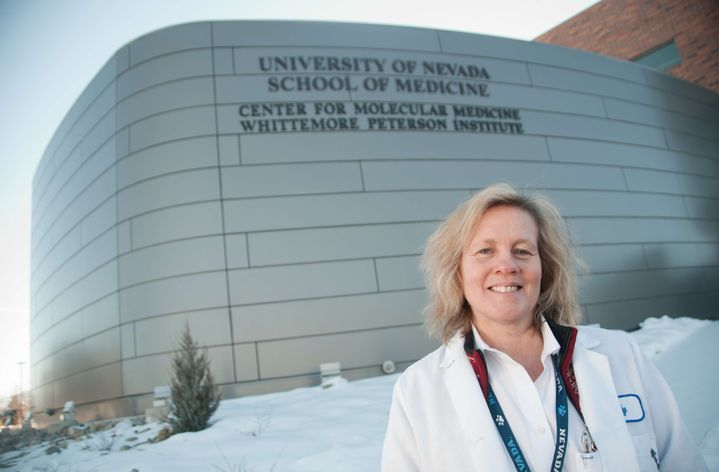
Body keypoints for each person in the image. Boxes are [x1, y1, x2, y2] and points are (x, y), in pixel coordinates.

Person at [382, 183, 707, 471]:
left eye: (522, 250)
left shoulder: (621, 355)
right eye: (485, 251)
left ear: (545, 268)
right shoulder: (418, 391)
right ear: (457, 271)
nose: (507, 266)